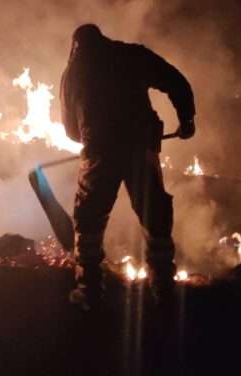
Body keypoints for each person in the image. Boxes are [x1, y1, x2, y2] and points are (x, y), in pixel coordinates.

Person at [60, 24, 195, 310]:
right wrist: (186, 120)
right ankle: (163, 288)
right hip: (140, 148)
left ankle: (89, 290)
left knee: (89, 220)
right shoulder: (131, 55)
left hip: (99, 153)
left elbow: (70, 129)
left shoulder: (74, 72)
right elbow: (175, 81)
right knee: (155, 216)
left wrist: (91, 135)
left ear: (76, 46)